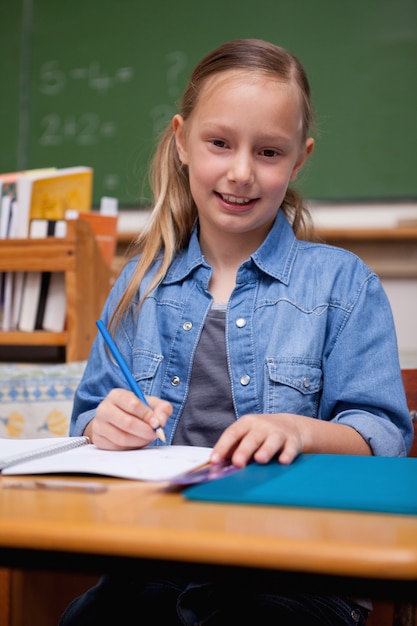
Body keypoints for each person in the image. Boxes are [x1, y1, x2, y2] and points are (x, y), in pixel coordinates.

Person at [59, 38, 413, 626]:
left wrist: (297, 430)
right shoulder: (139, 283)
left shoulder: (342, 284)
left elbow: (383, 437)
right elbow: (89, 420)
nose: (242, 172)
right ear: (181, 141)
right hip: (153, 559)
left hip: (298, 570)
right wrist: (103, 424)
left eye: (269, 152)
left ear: (299, 160)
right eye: (220, 143)